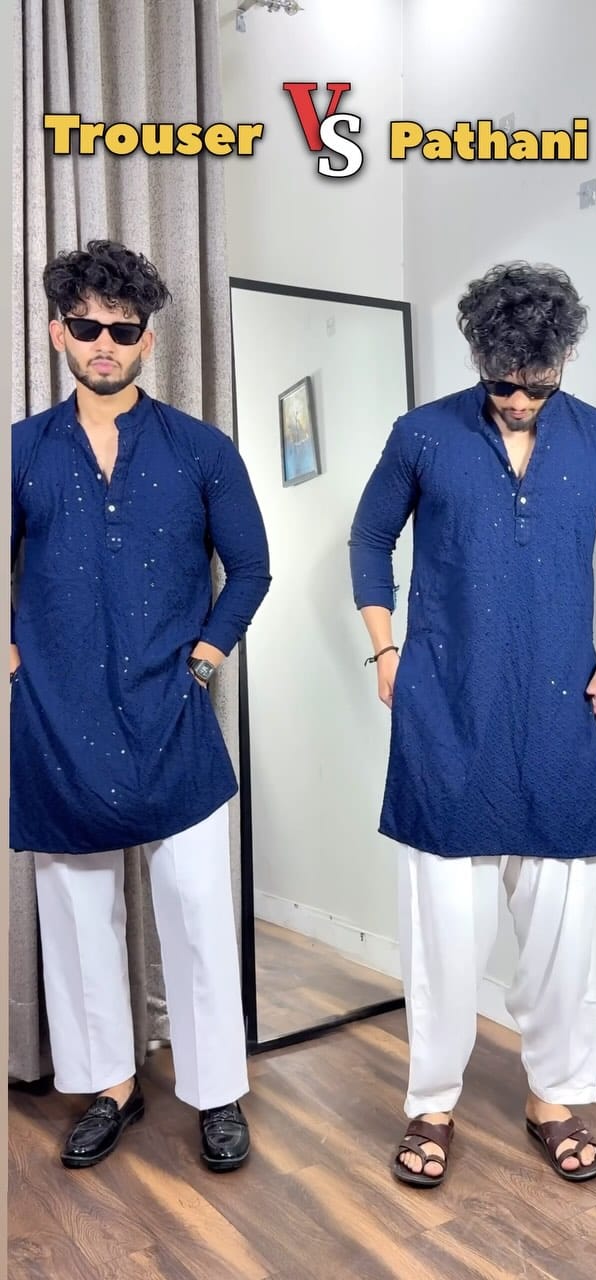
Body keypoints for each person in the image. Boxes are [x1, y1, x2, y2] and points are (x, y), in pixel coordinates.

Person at [349, 262, 596, 1187]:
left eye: (537, 383)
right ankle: (431, 1104)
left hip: (559, 714)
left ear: (562, 360)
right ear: (478, 358)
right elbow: (370, 537)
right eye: (501, 383)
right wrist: (385, 649)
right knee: (444, 934)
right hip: (446, 711)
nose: (519, 400)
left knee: (565, 930)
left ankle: (553, 1097)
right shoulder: (422, 434)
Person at [11, 240, 271, 1171]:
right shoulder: (19, 450)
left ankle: (216, 1091)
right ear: (58, 332)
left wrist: (204, 659)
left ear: (148, 342)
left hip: (174, 715)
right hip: (56, 720)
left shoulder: (202, 449)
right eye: (86, 326)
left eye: (122, 331)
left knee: (198, 913)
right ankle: (109, 1087)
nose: (104, 343)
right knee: (78, 920)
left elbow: (251, 568)